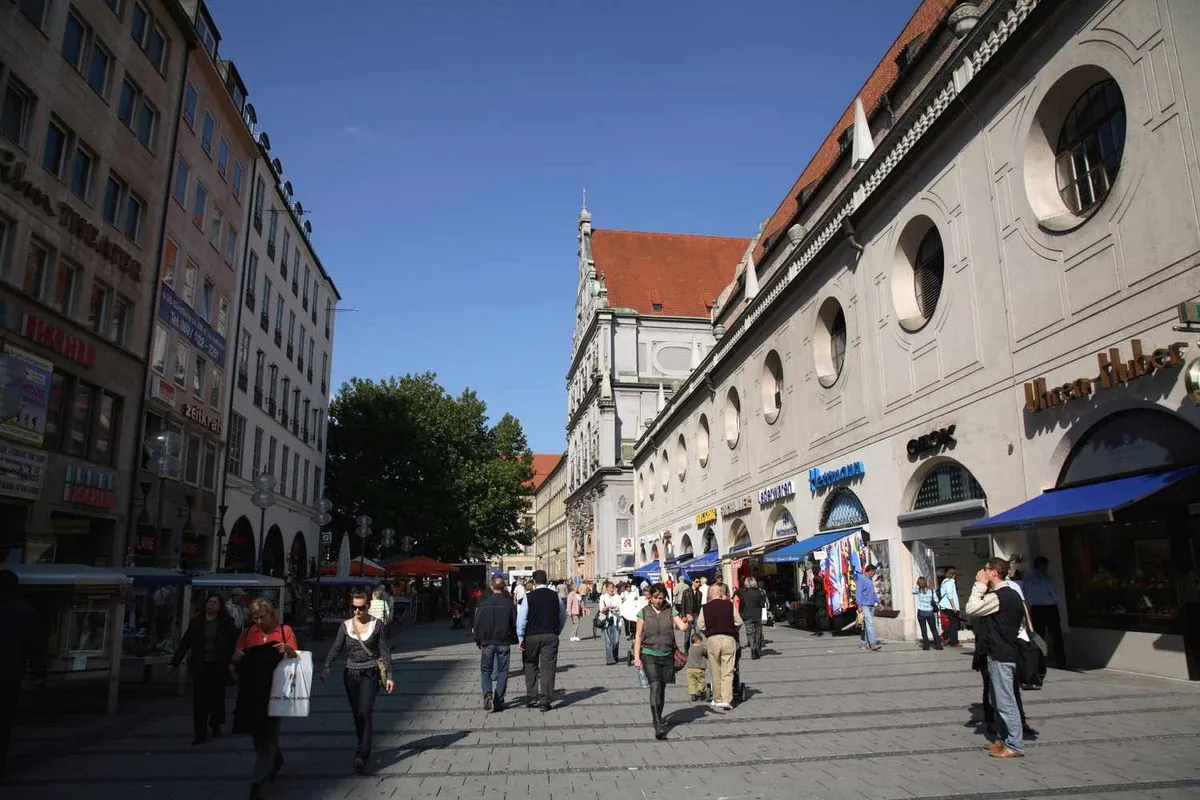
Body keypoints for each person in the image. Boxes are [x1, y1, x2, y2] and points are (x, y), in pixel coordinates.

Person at [232, 598, 299, 799]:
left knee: (268, 736)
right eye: (255, 618)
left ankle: (257, 780)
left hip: (276, 692)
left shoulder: (284, 631)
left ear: (271, 614)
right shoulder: (247, 634)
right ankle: (275, 760)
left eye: (262, 617)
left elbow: (296, 657)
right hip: (251, 693)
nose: (259, 621)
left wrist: (288, 651)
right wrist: (235, 658)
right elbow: (236, 661)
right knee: (258, 736)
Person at [322, 590, 394, 774]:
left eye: (361, 608)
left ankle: (362, 754)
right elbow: (337, 647)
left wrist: (390, 676)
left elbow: (384, 651)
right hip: (350, 675)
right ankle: (362, 745)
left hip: (370, 674)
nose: (357, 611)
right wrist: (327, 665)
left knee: (366, 712)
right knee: (357, 715)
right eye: (354, 608)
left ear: (368, 606)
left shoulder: (377, 625)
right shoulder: (345, 626)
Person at [965, 558, 1028, 759]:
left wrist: (979, 585)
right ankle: (1004, 740)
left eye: (985, 570)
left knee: (1005, 701)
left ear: (993, 573)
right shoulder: (1010, 593)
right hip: (1002, 652)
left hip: (1002, 654)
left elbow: (972, 609)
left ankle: (1014, 744)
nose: (981, 572)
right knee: (998, 699)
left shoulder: (999, 596)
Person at [171, 593, 238, 745]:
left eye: (214, 603)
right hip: (201, 665)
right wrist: (175, 662)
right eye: (209, 602)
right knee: (200, 701)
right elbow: (185, 642)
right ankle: (200, 732)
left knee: (217, 698)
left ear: (220, 606)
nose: (211, 605)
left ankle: (215, 725)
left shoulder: (226, 623)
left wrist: (233, 662)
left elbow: (233, 643)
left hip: (218, 665)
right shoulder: (197, 622)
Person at [0, 569, 45, 779]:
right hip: (8, 675)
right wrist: (38, 673)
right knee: (4, 719)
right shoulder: (25, 611)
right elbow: (34, 646)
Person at [633, 582, 692, 739]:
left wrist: (688, 621)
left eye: (662, 597)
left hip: (667, 654)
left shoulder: (670, 610)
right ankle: (658, 723)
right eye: (656, 598)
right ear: (650, 598)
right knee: (655, 686)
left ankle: (658, 715)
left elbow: (682, 627)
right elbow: (638, 636)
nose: (659, 600)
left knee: (662, 688)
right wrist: (636, 657)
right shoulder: (643, 613)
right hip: (649, 653)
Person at [516, 570, 566, 711]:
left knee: (530, 665)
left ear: (534, 581)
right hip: (550, 635)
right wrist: (558, 630)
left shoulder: (528, 597)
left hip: (531, 636)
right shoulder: (555, 596)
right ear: (546, 580)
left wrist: (520, 637)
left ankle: (532, 697)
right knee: (548, 668)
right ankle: (545, 700)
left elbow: (522, 619)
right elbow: (562, 615)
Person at [474, 576, 517, 712]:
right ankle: (499, 699)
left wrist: (478, 641)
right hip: (503, 641)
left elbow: (477, 623)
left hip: (487, 642)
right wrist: (514, 638)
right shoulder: (509, 603)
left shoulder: (483, 603)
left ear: (492, 587)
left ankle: (487, 693)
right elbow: (515, 623)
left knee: (486, 670)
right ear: (504, 587)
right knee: (503, 671)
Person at [699, 583, 742, 711]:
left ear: (711, 595)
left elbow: (700, 625)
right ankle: (726, 700)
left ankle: (717, 698)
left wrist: (707, 632)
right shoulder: (729, 605)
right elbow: (739, 622)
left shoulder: (705, 608)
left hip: (712, 639)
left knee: (715, 669)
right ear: (720, 594)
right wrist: (734, 630)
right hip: (728, 638)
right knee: (728, 670)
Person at [1023, 557, 1066, 669]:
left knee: (1038, 635)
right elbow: (1051, 590)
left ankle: (1039, 659)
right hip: (1049, 608)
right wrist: (1057, 602)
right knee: (1056, 635)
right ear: (1042, 565)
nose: (1047, 568)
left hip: (1036, 608)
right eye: (1046, 566)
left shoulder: (1027, 577)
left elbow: (1026, 593)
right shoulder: (1044, 577)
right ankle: (1060, 660)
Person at [735, 577, 768, 659]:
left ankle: (753, 649)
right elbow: (763, 603)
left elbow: (737, 591)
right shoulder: (759, 592)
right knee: (758, 632)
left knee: (750, 633)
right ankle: (757, 649)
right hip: (757, 615)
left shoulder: (743, 592)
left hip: (747, 616)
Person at [912, 577, 943, 651]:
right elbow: (936, 600)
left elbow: (912, 591)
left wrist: (917, 585)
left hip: (921, 612)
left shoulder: (918, 590)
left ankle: (926, 646)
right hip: (930, 612)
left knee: (924, 629)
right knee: (933, 629)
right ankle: (938, 645)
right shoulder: (931, 591)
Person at [856, 564, 881, 651]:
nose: (874, 574)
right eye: (873, 572)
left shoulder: (870, 580)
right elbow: (858, 592)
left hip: (871, 605)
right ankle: (872, 644)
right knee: (869, 624)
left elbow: (873, 593)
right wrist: (859, 605)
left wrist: (878, 602)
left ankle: (864, 643)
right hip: (864, 605)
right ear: (869, 571)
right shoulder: (861, 579)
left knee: (866, 625)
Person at [598, 582, 622, 665]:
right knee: (608, 641)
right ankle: (609, 659)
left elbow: (621, 607)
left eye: (613, 588)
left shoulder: (618, 597)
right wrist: (607, 607)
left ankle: (615, 656)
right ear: (607, 588)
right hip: (606, 621)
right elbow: (601, 609)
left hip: (616, 620)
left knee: (616, 641)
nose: (611, 589)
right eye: (610, 588)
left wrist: (615, 607)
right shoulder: (603, 597)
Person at [938, 567, 961, 647]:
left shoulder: (945, 582)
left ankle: (947, 638)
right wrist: (954, 606)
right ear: (953, 575)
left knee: (952, 624)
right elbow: (950, 595)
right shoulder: (949, 583)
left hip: (947, 606)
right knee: (954, 624)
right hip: (950, 607)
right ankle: (952, 641)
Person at [684, 633, 707, 701]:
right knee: (701, 681)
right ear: (698, 641)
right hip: (699, 669)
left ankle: (693, 694)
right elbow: (706, 653)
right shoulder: (702, 647)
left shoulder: (690, 648)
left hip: (690, 669)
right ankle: (700, 690)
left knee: (691, 682)